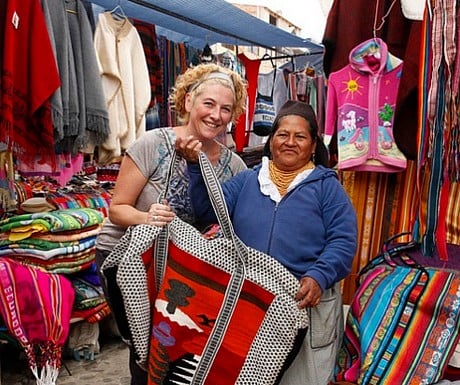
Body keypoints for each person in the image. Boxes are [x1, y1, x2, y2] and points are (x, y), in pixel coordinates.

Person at [174, 99, 358, 385]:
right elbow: (209, 210)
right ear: (271, 141)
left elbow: (343, 241)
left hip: (304, 303)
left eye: (300, 137)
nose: (290, 142)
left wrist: (319, 276)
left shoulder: (327, 188)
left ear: (313, 146)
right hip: (250, 303)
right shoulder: (248, 180)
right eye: (283, 134)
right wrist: (195, 168)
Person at [95, 62, 248, 385]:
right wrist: (147, 218)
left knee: (175, 347)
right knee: (145, 349)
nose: (216, 115)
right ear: (189, 101)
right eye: (209, 104)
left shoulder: (233, 164)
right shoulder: (154, 144)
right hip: (130, 259)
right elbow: (117, 210)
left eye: (226, 109)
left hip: (183, 269)